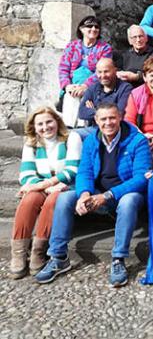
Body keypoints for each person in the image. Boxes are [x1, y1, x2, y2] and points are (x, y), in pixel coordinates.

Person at [35, 103, 152, 287]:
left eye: (112, 118)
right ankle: (58, 256)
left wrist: (107, 195)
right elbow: (85, 172)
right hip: (97, 191)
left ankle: (118, 259)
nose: (108, 123)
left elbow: (141, 178)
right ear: (96, 120)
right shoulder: (91, 140)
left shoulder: (138, 140)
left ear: (120, 117)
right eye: (103, 119)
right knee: (65, 197)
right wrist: (84, 194)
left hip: (125, 193)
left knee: (129, 201)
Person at [9, 107, 80, 279]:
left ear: (57, 121)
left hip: (67, 185)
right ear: (34, 126)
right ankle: (18, 252)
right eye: (40, 124)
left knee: (53, 200)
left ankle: (38, 251)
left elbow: (73, 169)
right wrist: (40, 186)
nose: (45, 127)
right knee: (29, 199)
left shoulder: (71, 137)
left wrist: (48, 184)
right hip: (42, 186)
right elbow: (26, 174)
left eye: (49, 121)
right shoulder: (31, 143)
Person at [58, 15, 112, 128]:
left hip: (94, 86)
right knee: (70, 95)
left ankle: (81, 128)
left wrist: (85, 86)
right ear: (81, 29)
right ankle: (68, 129)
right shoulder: (72, 46)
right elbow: (63, 68)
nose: (93, 29)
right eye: (89, 26)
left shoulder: (105, 48)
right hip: (73, 85)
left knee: (85, 95)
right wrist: (67, 86)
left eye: (96, 27)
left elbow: (102, 71)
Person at [77, 58, 133, 138]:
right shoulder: (93, 88)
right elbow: (81, 112)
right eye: (99, 72)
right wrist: (107, 112)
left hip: (115, 130)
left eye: (106, 71)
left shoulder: (125, 88)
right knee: (73, 135)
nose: (103, 76)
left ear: (115, 71)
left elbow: (119, 113)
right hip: (94, 129)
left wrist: (95, 110)